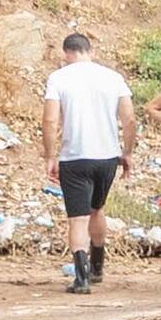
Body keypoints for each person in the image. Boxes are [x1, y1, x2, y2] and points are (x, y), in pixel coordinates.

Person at [41, 30, 135, 294]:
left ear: (66, 53)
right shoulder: (112, 77)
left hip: (75, 156)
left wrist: (50, 155)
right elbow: (129, 119)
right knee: (98, 209)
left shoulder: (58, 78)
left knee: (78, 220)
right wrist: (127, 152)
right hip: (107, 156)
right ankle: (97, 267)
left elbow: (49, 120)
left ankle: (81, 278)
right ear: (90, 51)